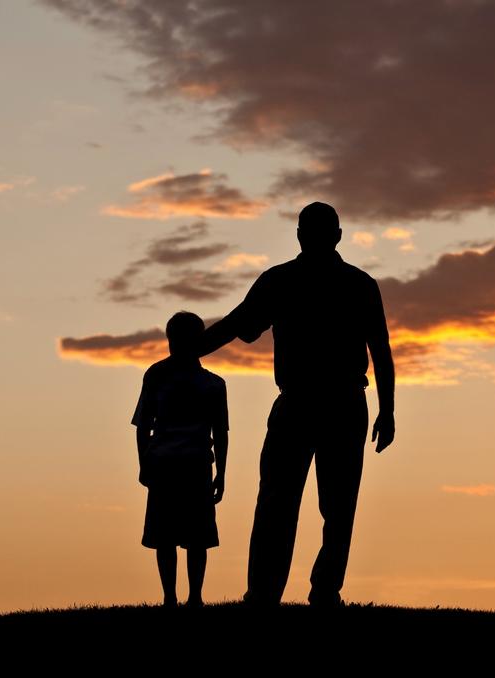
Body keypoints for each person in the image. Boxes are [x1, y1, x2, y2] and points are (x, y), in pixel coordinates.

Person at [196, 201, 395, 609]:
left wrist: (387, 409)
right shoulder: (346, 283)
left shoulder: (291, 281)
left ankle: (292, 592)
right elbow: (381, 351)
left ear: (302, 235)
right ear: (334, 236)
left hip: (320, 403)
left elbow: (237, 324)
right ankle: (297, 592)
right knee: (308, 504)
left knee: (295, 503)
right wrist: (387, 409)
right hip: (325, 404)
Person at [132, 310, 230, 608]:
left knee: (184, 535)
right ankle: (178, 597)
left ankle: (185, 598)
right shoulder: (201, 382)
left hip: (186, 464)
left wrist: (144, 463)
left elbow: (142, 426)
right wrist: (144, 463)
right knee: (179, 536)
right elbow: (144, 424)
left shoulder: (209, 383)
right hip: (178, 464)